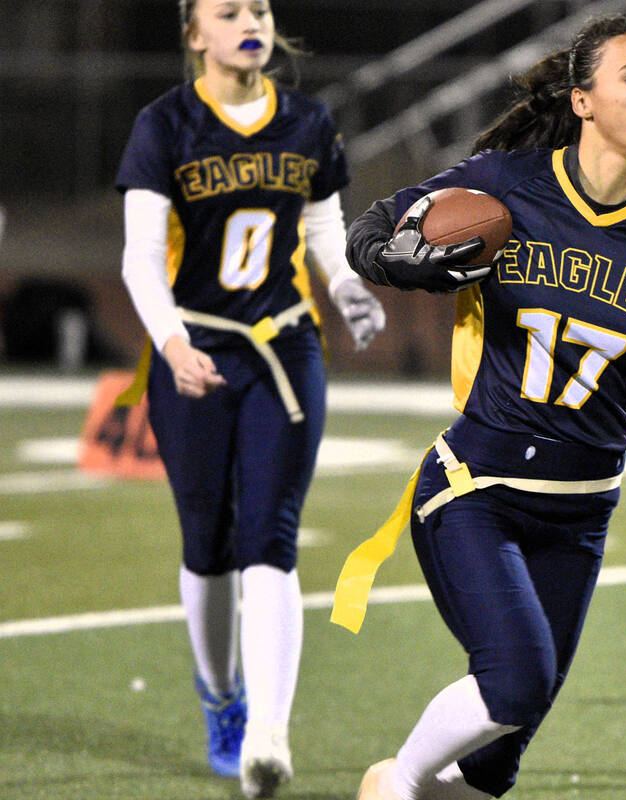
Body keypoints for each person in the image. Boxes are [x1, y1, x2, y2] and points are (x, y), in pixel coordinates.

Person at [331, 13, 626, 800]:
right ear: (584, 99)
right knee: (515, 684)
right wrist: (404, 262)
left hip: (581, 513)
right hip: (477, 488)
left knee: (492, 771)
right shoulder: (505, 184)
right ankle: (393, 782)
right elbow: (371, 231)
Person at [114, 1, 386, 797]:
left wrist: (345, 285)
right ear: (194, 34)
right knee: (208, 538)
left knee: (271, 530)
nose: (250, 20)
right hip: (194, 344)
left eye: (259, 7)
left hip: (284, 346)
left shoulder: (306, 121)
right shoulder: (165, 124)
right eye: (227, 10)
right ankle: (221, 698)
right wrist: (170, 342)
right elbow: (138, 259)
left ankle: (269, 730)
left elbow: (323, 224)